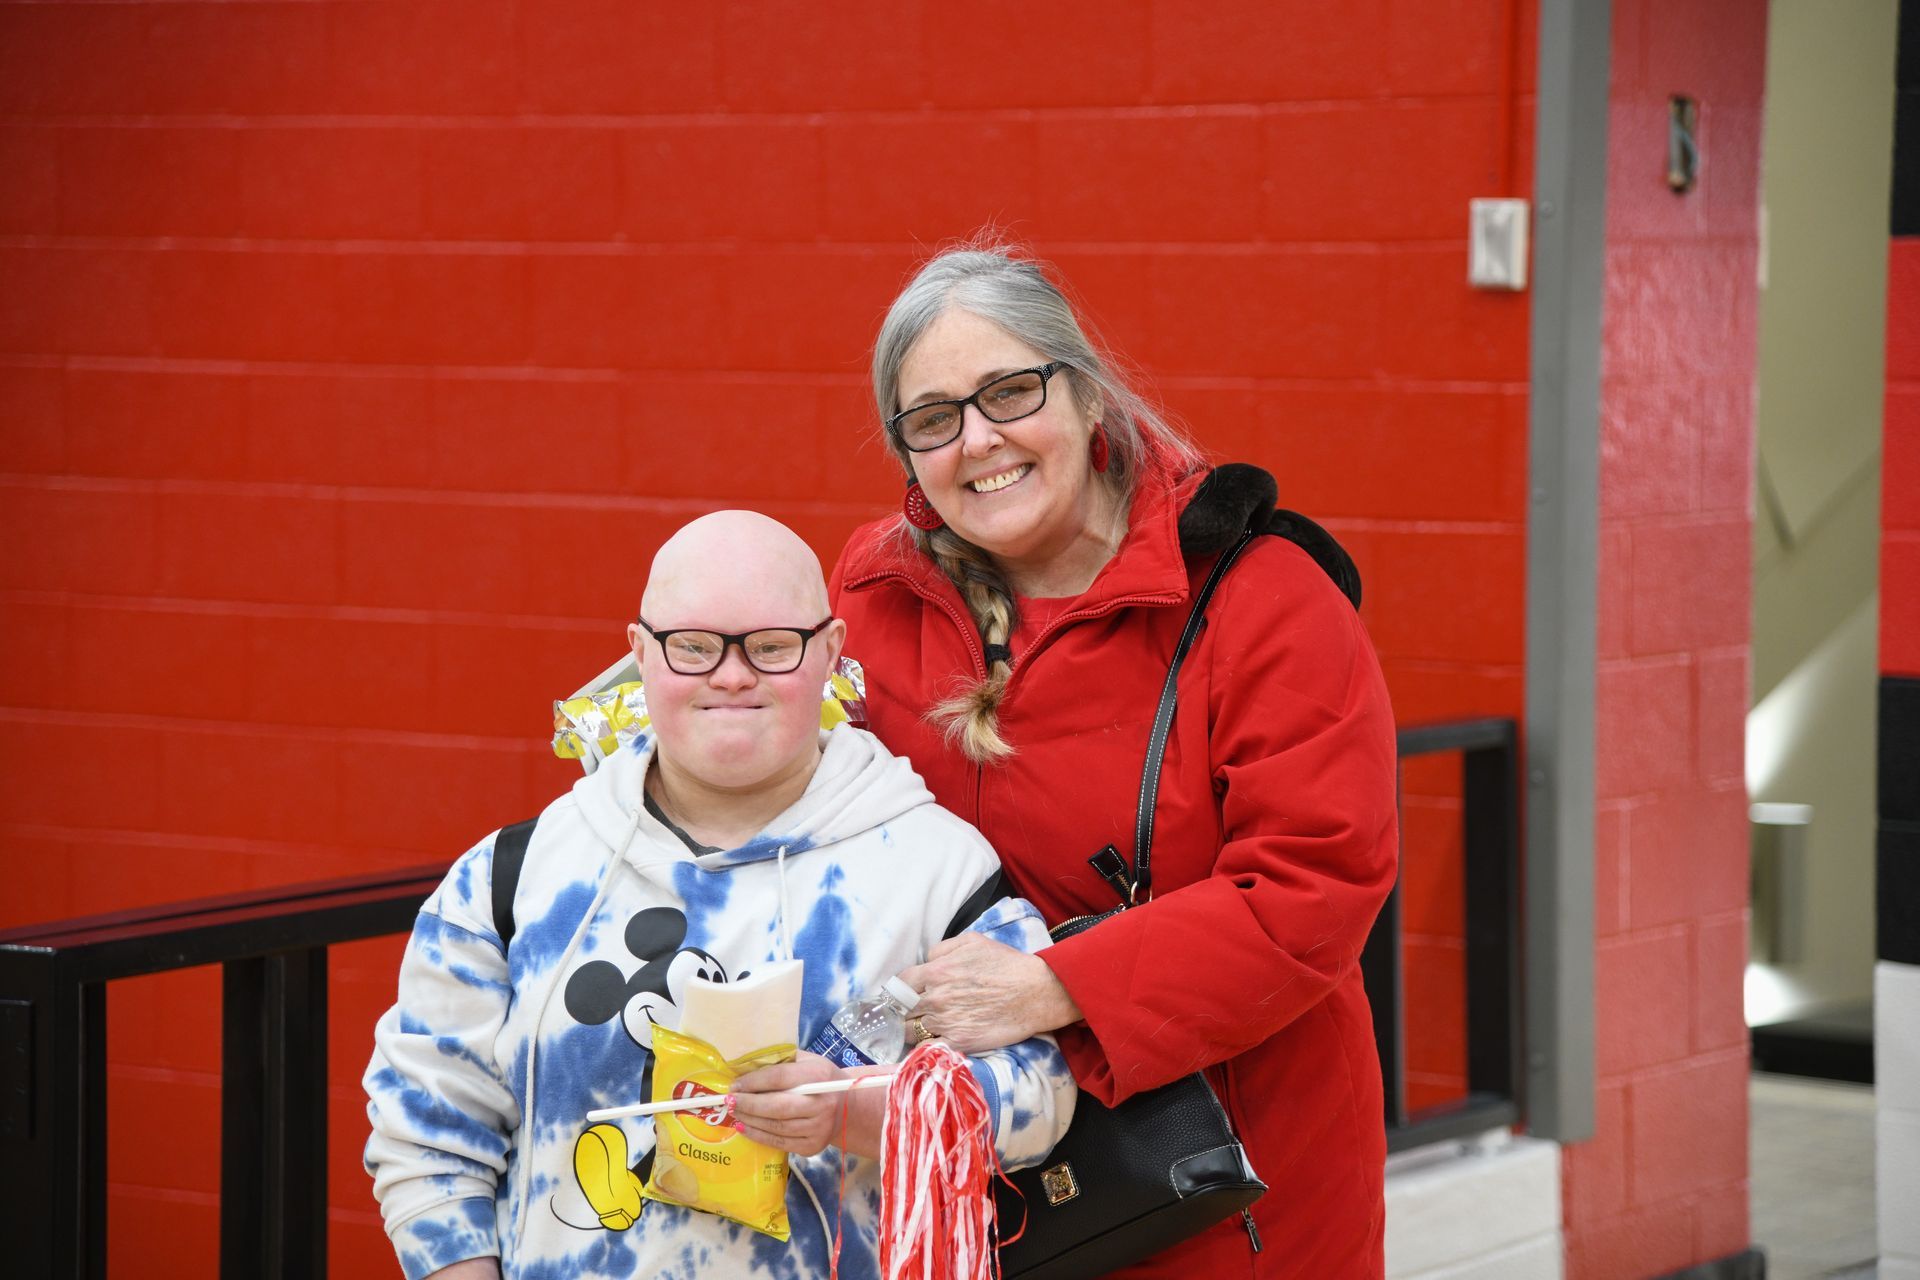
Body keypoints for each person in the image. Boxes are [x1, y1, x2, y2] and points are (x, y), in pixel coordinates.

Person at [829, 241, 1399, 1277]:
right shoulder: (874, 607)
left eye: (1010, 390)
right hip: (977, 1196)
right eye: (934, 417)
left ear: (1086, 394)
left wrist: (1057, 986)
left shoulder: (1259, 598)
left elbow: (1317, 881)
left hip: (1226, 1192)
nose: (979, 439)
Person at [363, 510, 1076, 1280]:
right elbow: (427, 1130)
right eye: (693, 647)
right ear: (641, 655)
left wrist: (852, 1110)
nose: (731, 675)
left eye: (771, 647)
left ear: (831, 652)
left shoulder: (940, 872)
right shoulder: (514, 876)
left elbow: (1042, 1097)